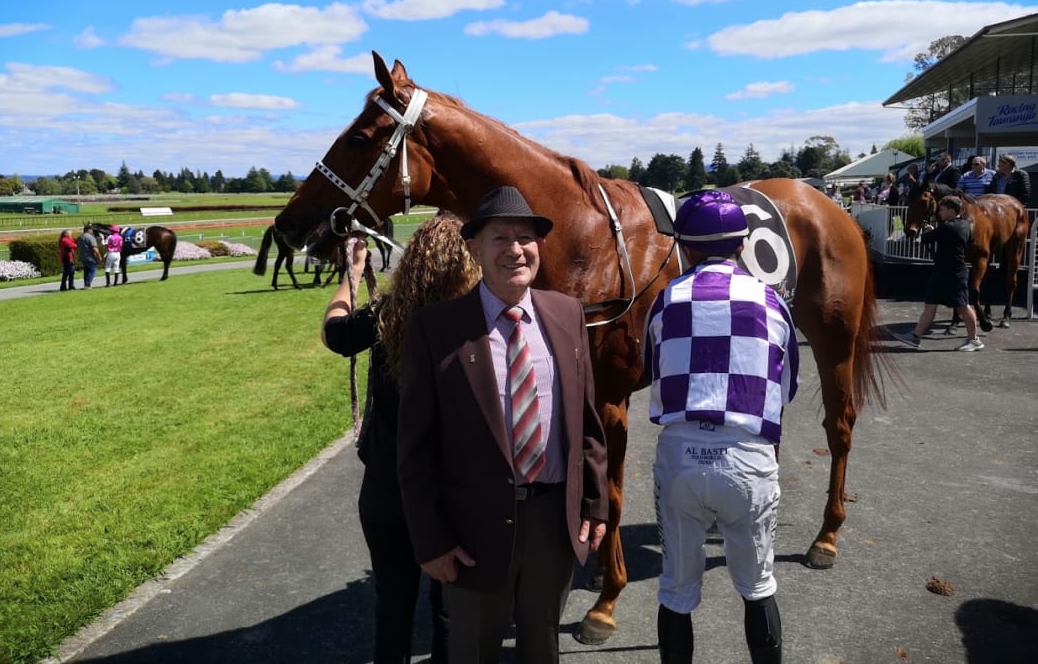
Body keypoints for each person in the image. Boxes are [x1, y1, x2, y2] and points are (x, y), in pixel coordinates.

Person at [398, 186, 608, 663]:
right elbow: (415, 448)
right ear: (474, 249)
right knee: (473, 651)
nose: (515, 249)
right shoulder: (436, 329)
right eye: (500, 238)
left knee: (541, 648)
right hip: (472, 530)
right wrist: (431, 541)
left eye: (525, 237)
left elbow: (587, 423)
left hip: (554, 524)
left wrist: (594, 505)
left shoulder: (567, 314)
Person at [643, 190, 799, 664]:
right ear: (742, 243)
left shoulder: (665, 300)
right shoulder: (772, 300)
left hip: (680, 456)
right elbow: (785, 386)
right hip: (748, 456)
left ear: (685, 247)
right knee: (757, 587)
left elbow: (656, 369)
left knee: (675, 590)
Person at [323, 213, 479, 664]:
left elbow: (335, 331)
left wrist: (352, 272)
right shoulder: (476, 321)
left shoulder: (384, 315)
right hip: (452, 489)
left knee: (392, 603)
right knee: (449, 608)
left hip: (388, 485)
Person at [893, 195, 983, 352]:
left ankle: (974, 339)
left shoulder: (946, 227)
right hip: (946, 271)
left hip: (952, 273)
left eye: (942, 209)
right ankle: (915, 337)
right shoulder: (965, 226)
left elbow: (925, 239)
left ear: (950, 210)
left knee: (963, 306)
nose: (939, 212)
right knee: (931, 304)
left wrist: (929, 231)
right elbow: (964, 241)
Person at [77, 223, 102, 289]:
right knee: (93, 271)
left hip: (83, 257)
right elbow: (94, 248)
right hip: (90, 257)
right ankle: (87, 285)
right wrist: (99, 256)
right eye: (92, 229)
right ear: (89, 230)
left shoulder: (80, 237)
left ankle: (86, 284)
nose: (93, 231)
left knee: (86, 271)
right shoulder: (90, 237)